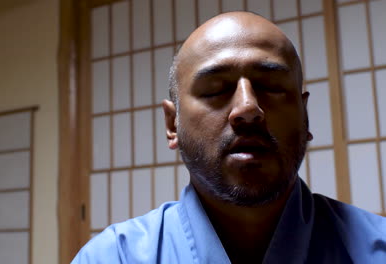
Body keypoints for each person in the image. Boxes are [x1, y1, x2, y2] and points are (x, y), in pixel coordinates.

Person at [72, 11, 386, 263]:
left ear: (304, 116)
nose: (248, 108)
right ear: (172, 123)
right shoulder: (114, 256)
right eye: (216, 89)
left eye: (272, 87)